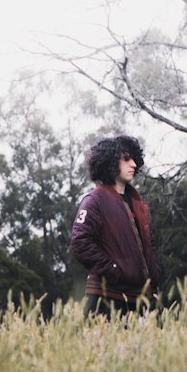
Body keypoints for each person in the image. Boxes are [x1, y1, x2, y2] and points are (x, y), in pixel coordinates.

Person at [70, 134, 160, 316]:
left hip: (143, 298)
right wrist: (113, 270)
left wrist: (155, 272)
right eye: (126, 159)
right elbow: (80, 242)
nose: (133, 164)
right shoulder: (94, 201)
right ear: (110, 163)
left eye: (134, 159)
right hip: (108, 299)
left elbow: (147, 246)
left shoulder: (136, 201)